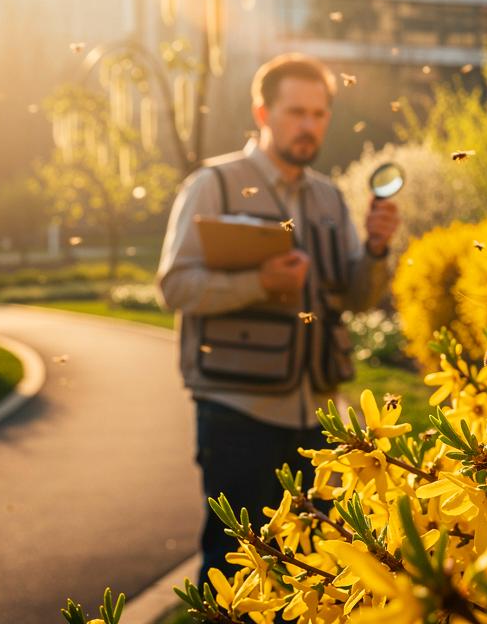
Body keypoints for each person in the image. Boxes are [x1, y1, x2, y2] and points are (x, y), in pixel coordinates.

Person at [155, 53, 400, 580]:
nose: (308, 125)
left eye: (318, 114)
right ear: (262, 114)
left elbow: (356, 297)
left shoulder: (331, 198)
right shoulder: (213, 185)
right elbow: (174, 286)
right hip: (235, 411)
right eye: (295, 112)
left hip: (318, 417)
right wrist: (259, 283)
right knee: (235, 568)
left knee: (315, 568)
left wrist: (377, 250)